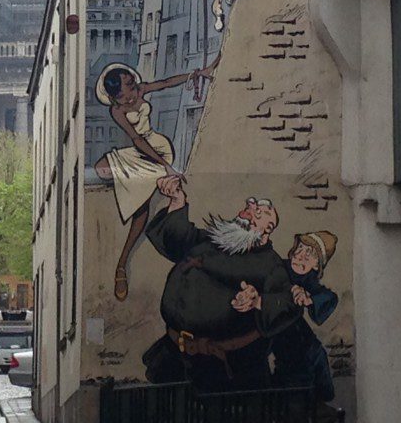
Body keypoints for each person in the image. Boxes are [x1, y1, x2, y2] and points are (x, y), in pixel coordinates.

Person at [142, 177, 299, 392]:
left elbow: (289, 304)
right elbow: (177, 241)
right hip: (176, 356)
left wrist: (258, 301)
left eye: (260, 211)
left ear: (267, 231)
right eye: (250, 205)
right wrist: (177, 202)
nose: (251, 206)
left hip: (227, 370)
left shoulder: (270, 264)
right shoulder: (214, 239)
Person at [92, 63, 194, 301]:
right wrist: (164, 167)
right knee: (100, 169)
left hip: (158, 147)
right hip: (141, 150)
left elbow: (167, 82)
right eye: (128, 84)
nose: (134, 85)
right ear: (117, 95)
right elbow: (136, 139)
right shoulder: (116, 111)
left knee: (141, 207)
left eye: (132, 82)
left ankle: (121, 265)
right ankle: (141, 185)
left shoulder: (141, 91)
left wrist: (196, 73)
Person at [272, 231, 339, 401]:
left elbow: (328, 297)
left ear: (317, 265)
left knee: (315, 355)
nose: (301, 256)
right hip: (276, 335)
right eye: (300, 249)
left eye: (309, 254)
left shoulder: (309, 279)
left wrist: (309, 300)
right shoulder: (279, 267)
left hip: (299, 343)